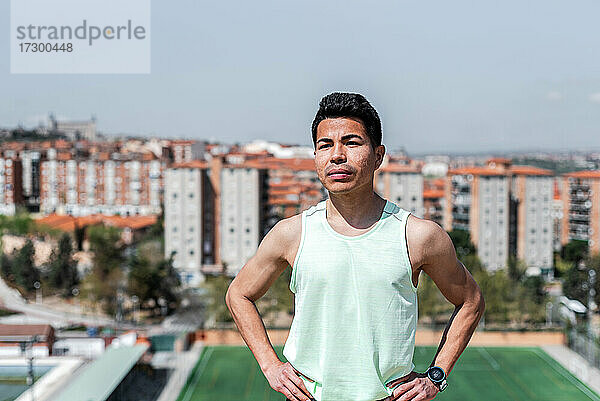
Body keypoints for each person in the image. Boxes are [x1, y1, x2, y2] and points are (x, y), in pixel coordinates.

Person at [225, 92, 485, 401]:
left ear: (378, 156)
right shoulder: (291, 233)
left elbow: (471, 301)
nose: (336, 155)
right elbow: (237, 294)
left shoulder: (419, 236)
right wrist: (270, 365)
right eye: (325, 145)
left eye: (351, 143)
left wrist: (436, 376)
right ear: (316, 158)